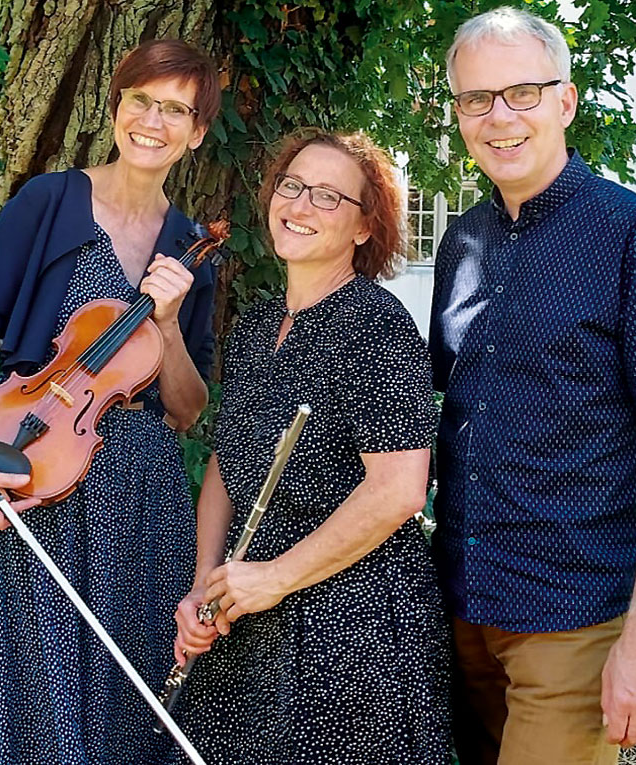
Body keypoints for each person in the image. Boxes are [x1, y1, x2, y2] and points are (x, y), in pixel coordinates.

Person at [428, 7, 636, 765]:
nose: (499, 117)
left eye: (522, 92)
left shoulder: (634, 235)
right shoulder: (462, 241)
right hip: (460, 607)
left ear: (566, 101)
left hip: (571, 618)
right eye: (476, 99)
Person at [0, 39, 221, 764]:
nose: (153, 121)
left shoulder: (189, 247)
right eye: (142, 101)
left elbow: (186, 409)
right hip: (28, 471)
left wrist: (164, 323)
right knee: (23, 709)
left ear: (197, 131)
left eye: (176, 109)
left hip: (141, 502)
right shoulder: (49, 202)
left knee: (125, 717)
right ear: (117, 104)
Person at [173, 130, 453, 764]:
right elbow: (227, 463)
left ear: (363, 227)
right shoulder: (253, 325)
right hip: (245, 613)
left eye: (328, 197)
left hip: (350, 629)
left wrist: (273, 578)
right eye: (292, 187)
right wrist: (203, 586)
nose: (299, 206)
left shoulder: (378, 325)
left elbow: (398, 492)